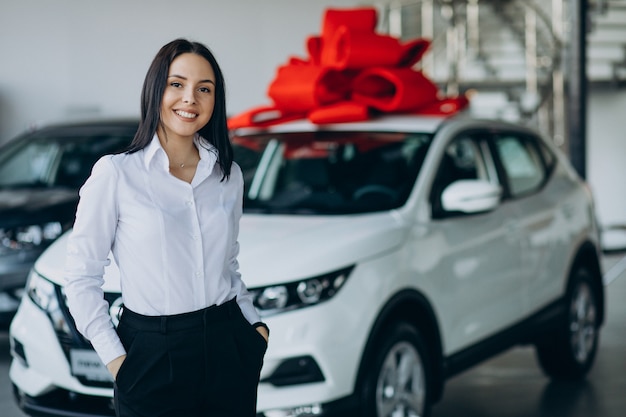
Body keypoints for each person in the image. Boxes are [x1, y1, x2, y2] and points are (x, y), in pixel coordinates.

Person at [64, 38, 269, 417]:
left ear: (215, 100)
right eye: (177, 84)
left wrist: (255, 329)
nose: (189, 98)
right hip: (150, 356)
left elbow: (228, 265)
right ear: (156, 89)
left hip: (229, 347)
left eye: (203, 89)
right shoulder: (116, 174)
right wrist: (117, 362)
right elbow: (80, 278)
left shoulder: (228, 176)